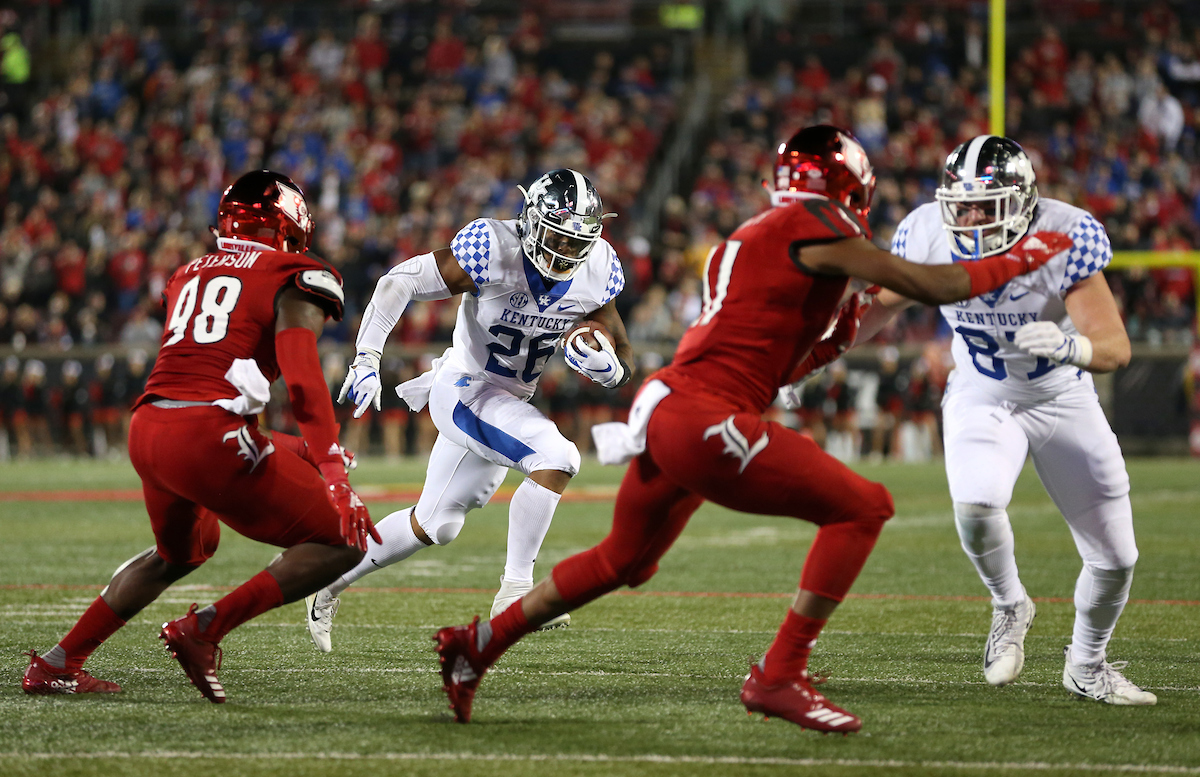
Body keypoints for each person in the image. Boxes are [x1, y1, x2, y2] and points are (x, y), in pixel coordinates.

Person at [431, 126, 1072, 732]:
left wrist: (828, 345)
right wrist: (1034, 251)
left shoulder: (757, 234)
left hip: (675, 409)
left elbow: (775, 359)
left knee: (621, 561)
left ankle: (475, 649)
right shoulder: (816, 222)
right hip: (708, 415)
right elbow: (935, 283)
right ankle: (779, 675)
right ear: (851, 187)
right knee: (865, 509)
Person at [21, 170, 378, 703]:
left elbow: (202, 384)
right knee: (343, 541)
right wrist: (329, 468)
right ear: (289, 228)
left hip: (148, 430)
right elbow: (302, 379)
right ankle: (204, 629)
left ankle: (58, 663)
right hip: (207, 433)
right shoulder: (296, 271)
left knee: (184, 549)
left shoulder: (185, 274)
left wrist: (299, 448)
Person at [850, 135, 1153, 705]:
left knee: (1116, 558)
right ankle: (1010, 603)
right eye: (960, 205)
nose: (968, 219)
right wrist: (814, 355)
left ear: (1024, 203)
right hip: (983, 392)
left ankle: (1087, 665)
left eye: (984, 207)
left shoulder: (1064, 233)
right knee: (978, 503)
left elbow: (1114, 346)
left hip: (1061, 392)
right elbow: (877, 306)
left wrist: (1075, 350)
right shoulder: (927, 233)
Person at [306, 168, 633, 652]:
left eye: (573, 244)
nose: (564, 253)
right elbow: (400, 281)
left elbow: (622, 352)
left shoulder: (599, 269)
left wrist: (612, 371)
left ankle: (327, 580)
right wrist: (368, 357)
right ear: (530, 222)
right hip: (464, 387)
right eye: (556, 238)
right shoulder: (491, 249)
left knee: (435, 524)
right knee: (557, 457)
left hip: (507, 399)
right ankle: (516, 591)